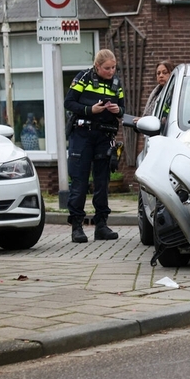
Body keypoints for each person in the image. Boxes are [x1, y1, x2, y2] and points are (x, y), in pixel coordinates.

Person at [64, 49, 125, 243]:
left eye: (114, 67)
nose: (111, 71)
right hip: (82, 135)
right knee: (80, 181)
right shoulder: (83, 78)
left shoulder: (117, 83)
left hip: (104, 135)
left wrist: (118, 110)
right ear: (97, 66)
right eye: (107, 68)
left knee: (102, 181)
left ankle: (101, 225)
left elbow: (123, 108)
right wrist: (89, 110)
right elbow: (69, 102)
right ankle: (77, 226)